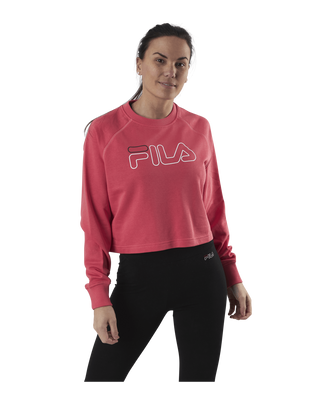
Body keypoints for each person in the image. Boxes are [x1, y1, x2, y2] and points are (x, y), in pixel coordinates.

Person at [79, 20, 255, 386]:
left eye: (180, 63)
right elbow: (94, 219)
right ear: (139, 63)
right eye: (160, 60)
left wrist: (233, 274)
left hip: (202, 273)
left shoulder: (200, 126)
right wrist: (98, 295)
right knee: (100, 379)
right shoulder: (104, 132)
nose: (170, 71)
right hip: (139, 280)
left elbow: (215, 210)